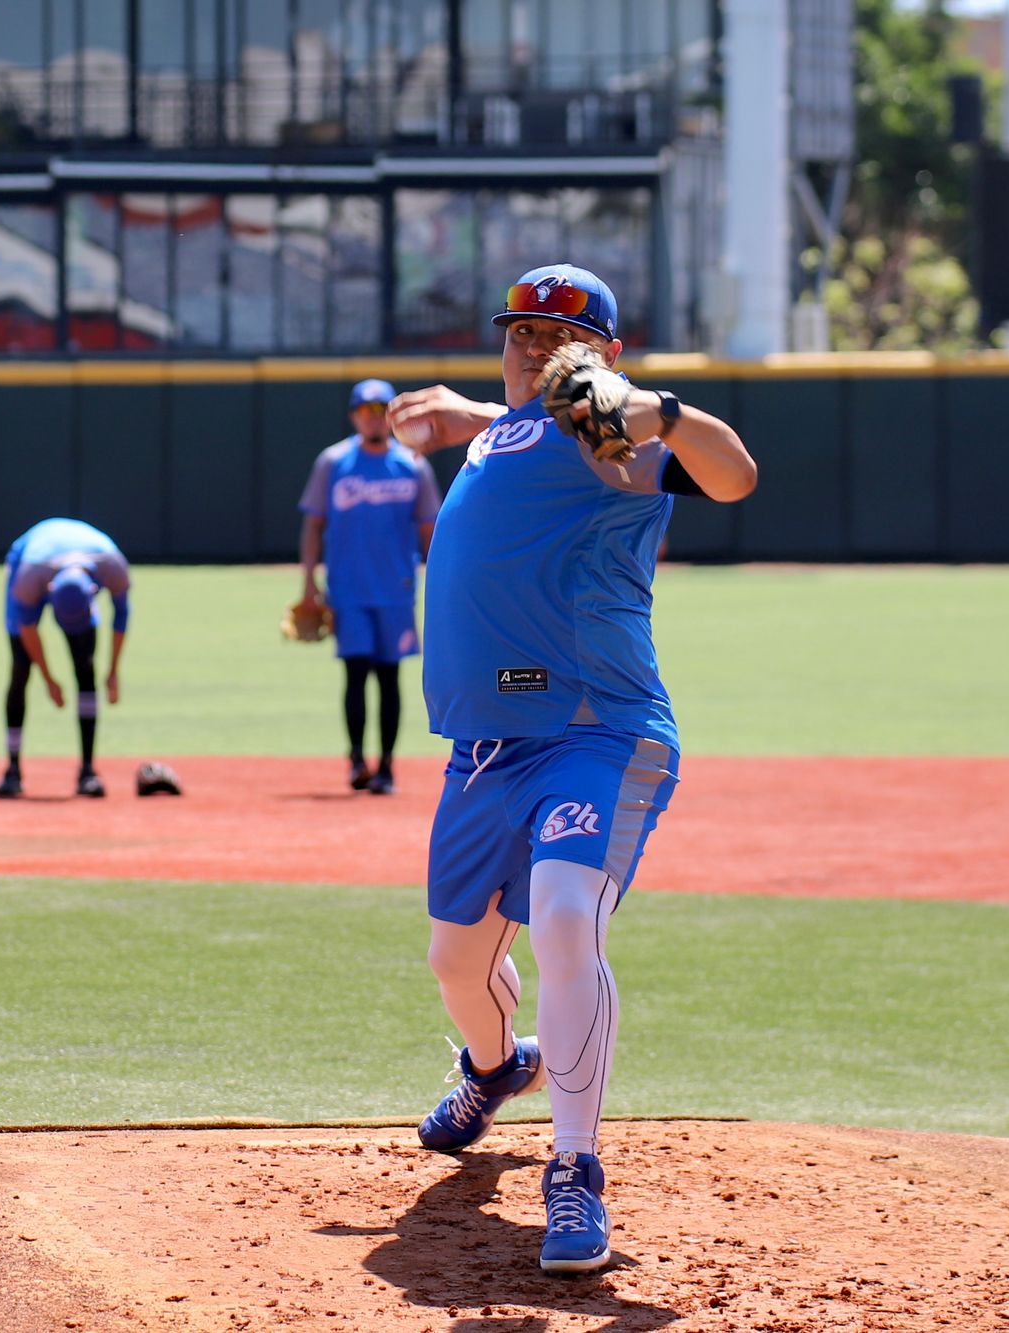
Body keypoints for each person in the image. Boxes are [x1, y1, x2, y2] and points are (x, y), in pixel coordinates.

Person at [386, 263, 758, 1274]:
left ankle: (575, 1167)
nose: (535, 349)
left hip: (595, 732)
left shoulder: (613, 434)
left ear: (604, 354)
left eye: (560, 339)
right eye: (522, 332)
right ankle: (494, 1067)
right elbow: (516, 426)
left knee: (558, 914)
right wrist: (477, 413)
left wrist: (661, 412)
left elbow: (730, 475)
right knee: (457, 965)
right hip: (481, 755)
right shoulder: (505, 425)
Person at [297, 377, 442, 795]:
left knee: (390, 676)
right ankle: (357, 758)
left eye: (381, 411)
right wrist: (309, 581)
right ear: (354, 415)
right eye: (366, 410)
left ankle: (387, 767)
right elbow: (313, 524)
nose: (373, 418)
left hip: (395, 589)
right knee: (356, 673)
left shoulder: (412, 464)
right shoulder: (333, 463)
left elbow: (429, 532)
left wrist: (441, 583)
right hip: (348, 589)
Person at [0, 517, 131, 799]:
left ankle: (88, 770)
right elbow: (27, 628)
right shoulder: (28, 580)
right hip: (29, 559)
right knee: (21, 667)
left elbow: (121, 618)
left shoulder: (113, 566)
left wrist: (113, 670)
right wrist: (49, 679)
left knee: (86, 669)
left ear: (93, 594)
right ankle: (12, 769)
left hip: (71, 564)